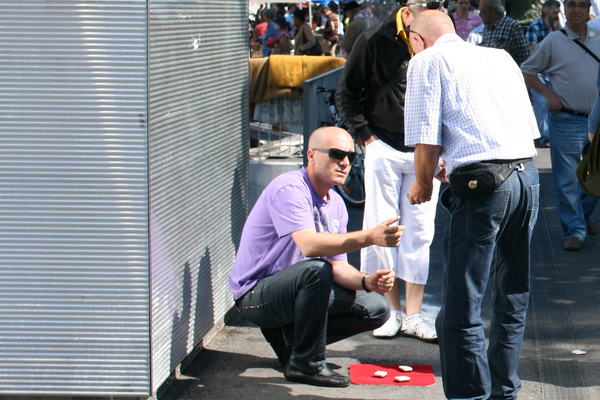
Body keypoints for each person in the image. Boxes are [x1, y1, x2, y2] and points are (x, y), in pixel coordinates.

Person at [404, 11, 540, 399]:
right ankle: (503, 390)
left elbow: (425, 139)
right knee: (512, 294)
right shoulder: (498, 57)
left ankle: (469, 395)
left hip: (486, 189)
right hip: (525, 177)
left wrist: (422, 183)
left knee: (461, 307)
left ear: (418, 39)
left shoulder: (426, 61)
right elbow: (520, 128)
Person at [229, 126, 404, 388]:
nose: (344, 162)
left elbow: (339, 268)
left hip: (300, 289)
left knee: (377, 309)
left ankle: (293, 342)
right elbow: (310, 246)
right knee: (314, 270)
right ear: (311, 155)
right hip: (256, 296)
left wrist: (368, 281)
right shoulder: (290, 188)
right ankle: (307, 365)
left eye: (351, 156)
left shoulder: (336, 204)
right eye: (336, 154)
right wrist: (369, 237)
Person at [340, 0, 445, 343]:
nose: (437, 8)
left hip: (425, 149)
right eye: (430, 4)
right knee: (381, 227)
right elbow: (347, 92)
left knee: (420, 230)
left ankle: (414, 315)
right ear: (408, 8)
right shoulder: (373, 39)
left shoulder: (439, 37)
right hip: (383, 144)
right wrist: (367, 139)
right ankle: (389, 310)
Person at [521, 0, 600, 251]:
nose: (576, 10)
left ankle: (583, 214)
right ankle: (574, 230)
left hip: (597, 120)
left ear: (589, 8)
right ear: (564, 9)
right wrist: (548, 94)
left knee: (596, 175)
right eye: (571, 5)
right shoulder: (554, 40)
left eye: (581, 5)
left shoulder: (599, 35)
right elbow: (528, 70)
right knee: (566, 180)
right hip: (567, 118)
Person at [527, 0, 562, 149]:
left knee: (556, 105)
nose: (557, 16)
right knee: (541, 105)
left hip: (555, 72)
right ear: (546, 13)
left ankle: (555, 135)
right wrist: (550, 39)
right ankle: (543, 138)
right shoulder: (534, 27)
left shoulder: (560, 27)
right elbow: (532, 47)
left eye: (558, 13)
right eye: (554, 13)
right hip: (539, 72)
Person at [479, 0, 530, 65]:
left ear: (493, 11)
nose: (480, 14)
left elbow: (525, 58)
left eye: (482, 11)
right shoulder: (486, 28)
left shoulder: (512, 27)